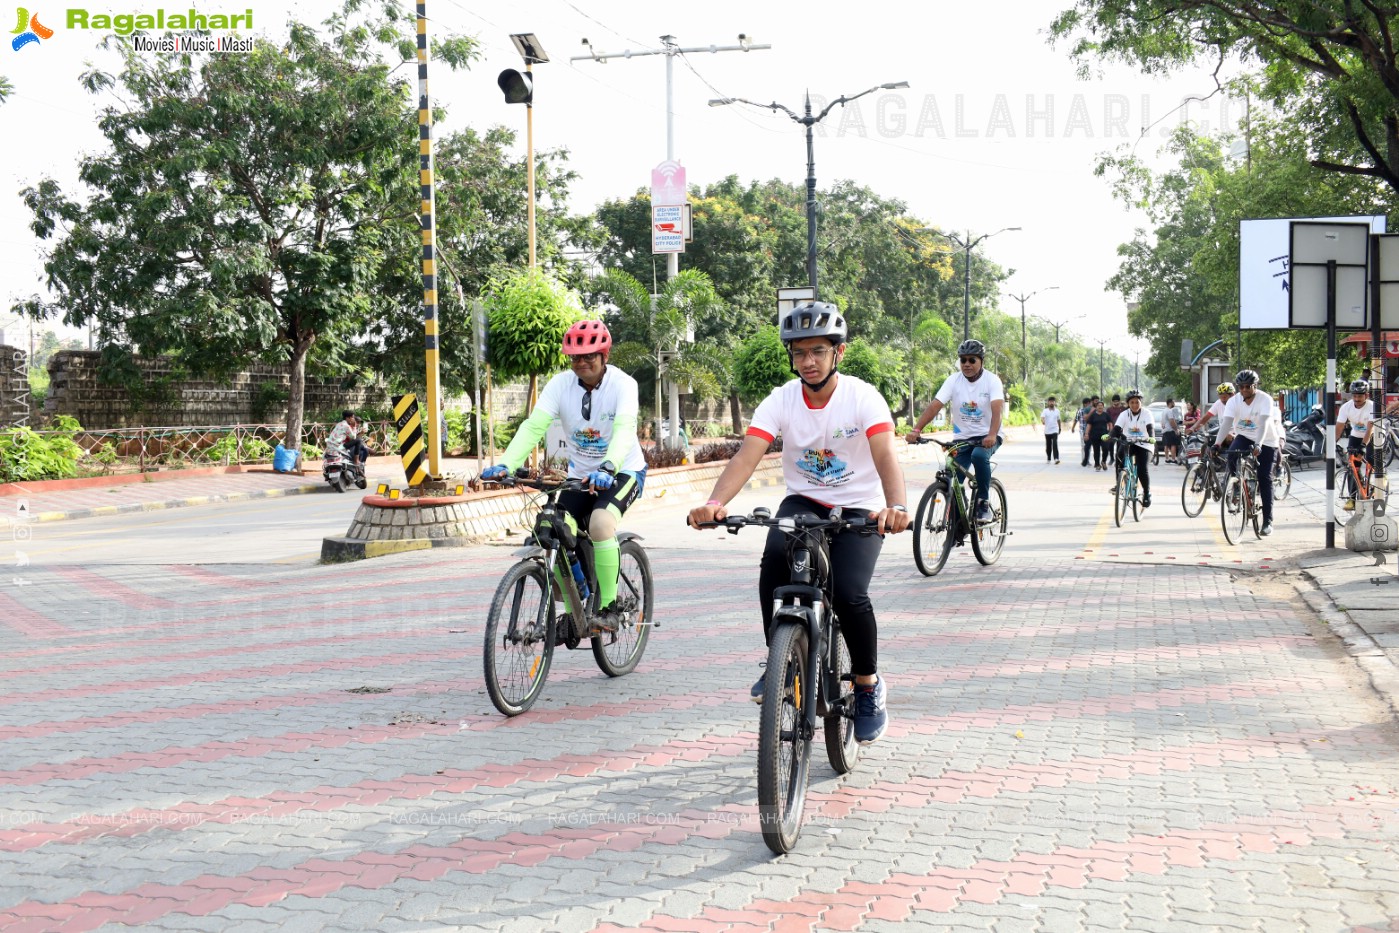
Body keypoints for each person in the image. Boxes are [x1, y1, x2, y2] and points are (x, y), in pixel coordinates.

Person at [687, 301, 909, 745]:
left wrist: (895, 506)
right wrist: (714, 502)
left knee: (849, 592)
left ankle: (867, 685)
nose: (808, 361)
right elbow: (748, 455)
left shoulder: (863, 397)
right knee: (773, 561)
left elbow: (885, 455)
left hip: (859, 507)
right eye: (799, 352)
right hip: (804, 500)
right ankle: (781, 662)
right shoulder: (781, 399)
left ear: (838, 354)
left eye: (818, 352)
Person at [481, 320, 647, 632]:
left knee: (600, 524)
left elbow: (624, 431)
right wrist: (506, 463)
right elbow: (534, 425)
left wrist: (609, 466)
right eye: (575, 357)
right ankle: (575, 611)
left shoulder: (624, 385)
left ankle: (610, 609)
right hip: (580, 476)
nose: (581, 363)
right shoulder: (559, 385)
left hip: (623, 471)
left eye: (589, 356)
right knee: (550, 528)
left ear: (604, 356)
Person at [907, 339, 1006, 523]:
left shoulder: (992, 381)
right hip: (963, 437)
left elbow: (997, 410)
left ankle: (983, 503)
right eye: (963, 360)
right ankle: (958, 523)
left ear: (981, 361)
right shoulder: (953, 381)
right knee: (951, 475)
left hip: (989, 435)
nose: (967, 364)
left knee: (978, 456)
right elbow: (935, 406)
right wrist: (917, 429)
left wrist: (992, 434)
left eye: (971, 360)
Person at [1216, 369, 1280, 534]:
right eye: (1241, 386)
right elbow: (1226, 423)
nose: (1244, 389)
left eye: (1248, 386)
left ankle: (1267, 521)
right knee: (1231, 454)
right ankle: (1236, 485)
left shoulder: (1264, 399)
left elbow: (1265, 423)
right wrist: (1217, 444)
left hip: (1266, 439)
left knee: (1264, 477)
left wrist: (1258, 444)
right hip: (1244, 435)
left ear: (1255, 386)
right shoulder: (1233, 401)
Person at [1335, 379, 1377, 511]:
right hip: (1356, 434)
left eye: (1360, 396)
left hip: (1374, 435)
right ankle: (1352, 498)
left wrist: (1364, 445)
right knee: (1352, 466)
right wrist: (1332, 443)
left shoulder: (1372, 406)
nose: (1357, 399)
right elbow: (1339, 427)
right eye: (1355, 396)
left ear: (1367, 395)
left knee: (1371, 459)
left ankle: (1378, 481)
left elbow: (1370, 429)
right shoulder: (1346, 408)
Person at [1110, 390, 1155, 507]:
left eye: (1137, 402)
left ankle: (1146, 493)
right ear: (1128, 404)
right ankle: (1119, 483)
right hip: (1129, 442)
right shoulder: (1124, 414)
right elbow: (1117, 428)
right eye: (1132, 403)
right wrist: (1110, 436)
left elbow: (1150, 428)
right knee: (1119, 457)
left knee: (1142, 468)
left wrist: (1152, 437)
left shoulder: (1147, 413)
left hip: (1145, 444)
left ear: (1141, 402)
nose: (1135, 405)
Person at [1085, 399, 1112, 470]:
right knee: (1096, 450)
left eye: (1101, 405)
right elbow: (1089, 425)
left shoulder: (1106, 415)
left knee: (1105, 448)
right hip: (1094, 435)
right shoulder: (1093, 415)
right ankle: (1097, 464)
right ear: (1096, 407)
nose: (1100, 407)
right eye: (1098, 405)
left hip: (1104, 435)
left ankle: (1103, 461)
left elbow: (1110, 424)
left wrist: (1111, 433)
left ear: (1103, 407)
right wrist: (1086, 434)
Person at [1072, 397, 1094, 467]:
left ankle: (1086, 460)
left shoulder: (1091, 410)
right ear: (1085, 404)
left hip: (1089, 430)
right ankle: (1084, 460)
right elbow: (1076, 419)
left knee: (1087, 446)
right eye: (1089, 403)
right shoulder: (1080, 411)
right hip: (1082, 430)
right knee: (1084, 446)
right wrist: (1073, 427)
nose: (1090, 404)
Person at [1041, 396, 1062, 464]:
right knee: (1048, 445)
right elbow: (1042, 417)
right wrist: (1043, 421)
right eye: (1050, 401)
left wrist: (1060, 428)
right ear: (1048, 403)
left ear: (1054, 403)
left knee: (1055, 443)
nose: (1051, 403)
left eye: (1053, 401)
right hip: (1047, 431)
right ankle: (1049, 458)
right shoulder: (1045, 410)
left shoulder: (1057, 411)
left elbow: (1058, 420)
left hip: (1055, 430)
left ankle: (1056, 458)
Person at [1161, 398, 1183, 463]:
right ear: (1170, 403)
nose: (1174, 404)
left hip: (1165, 429)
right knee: (1173, 444)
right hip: (1170, 429)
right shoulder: (1170, 411)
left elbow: (1162, 420)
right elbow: (1172, 421)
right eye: (1173, 402)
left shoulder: (1164, 410)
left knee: (1166, 445)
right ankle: (1173, 459)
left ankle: (1167, 458)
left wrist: (1162, 425)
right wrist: (1176, 429)